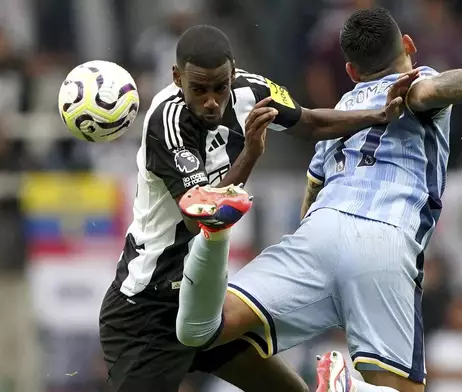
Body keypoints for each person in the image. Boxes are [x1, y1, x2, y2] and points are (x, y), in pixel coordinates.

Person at [175, 8, 462, 392]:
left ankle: (198, 258)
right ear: (408, 46)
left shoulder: (339, 111)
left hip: (317, 233)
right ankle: (351, 389)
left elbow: (311, 193)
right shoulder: (413, 82)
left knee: (211, 328)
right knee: (400, 390)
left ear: (351, 71)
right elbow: (433, 89)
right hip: (383, 240)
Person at [98, 24, 416, 392]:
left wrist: (377, 115)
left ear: (233, 73)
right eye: (198, 90)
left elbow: (308, 122)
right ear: (176, 78)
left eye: (220, 87)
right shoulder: (166, 123)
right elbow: (198, 216)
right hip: (146, 312)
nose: (212, 101)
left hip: (203, 305)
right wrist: (250, 154)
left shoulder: (255, 91)